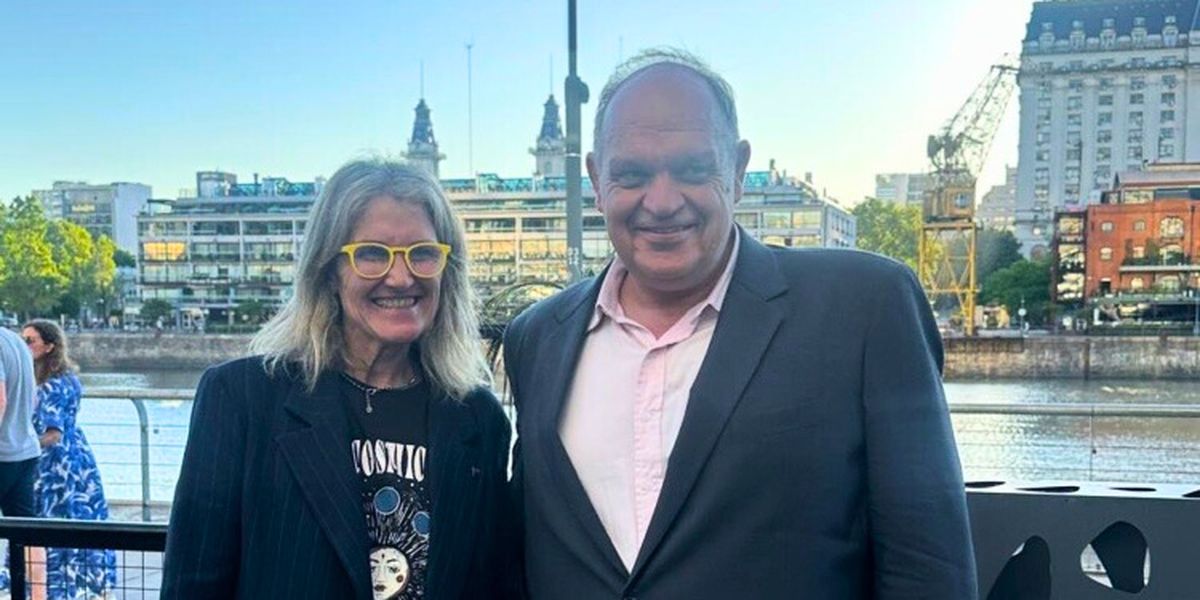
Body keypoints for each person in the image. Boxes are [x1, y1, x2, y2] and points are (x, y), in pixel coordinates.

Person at [503, 48, 977, 598]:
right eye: (632, 174)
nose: (661, 201)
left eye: (692, 169)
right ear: (595, 178)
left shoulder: (865, 307)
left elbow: (928, 568)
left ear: (738, 169)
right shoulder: (537, 337)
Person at [162, 159, 516, 600]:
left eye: (422, 253)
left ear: (447, 270)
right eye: (372, 254)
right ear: (329, 271)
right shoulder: (242, 400)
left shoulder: (478, 420)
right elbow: (193, 586)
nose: (401, 276)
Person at [20, 319, 118, 599]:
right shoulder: (69, 379)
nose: (24, 345)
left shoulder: (48, 387)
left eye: (30, 341)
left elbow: (53, 434)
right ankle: (87, 584)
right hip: (79, 458)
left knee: (47, 523)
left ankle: (48, 589)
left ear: (49, 346)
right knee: (82, 517)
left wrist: (23, 446)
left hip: (54, 467)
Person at [0, 325, 41, 597]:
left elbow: (0, 399)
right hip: (25, 449)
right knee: (28, 534)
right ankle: (39, 596)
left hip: (2, 454)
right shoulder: (14, 340)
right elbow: (32, 398)